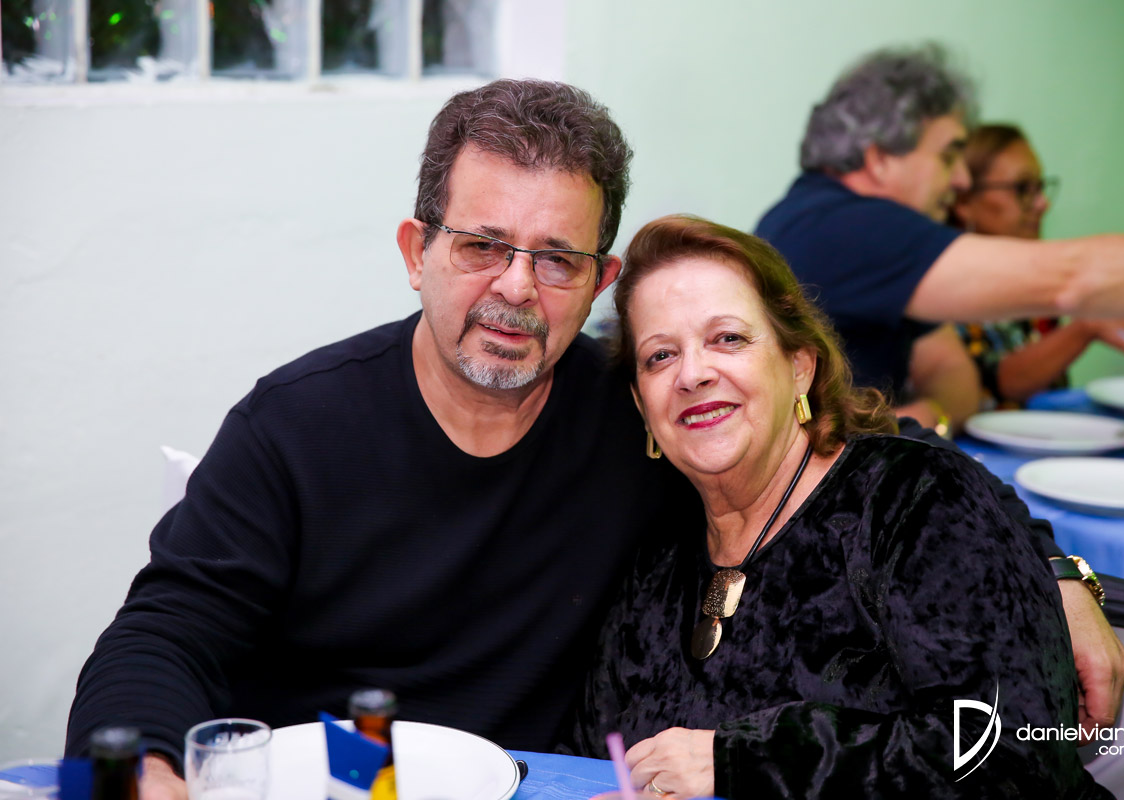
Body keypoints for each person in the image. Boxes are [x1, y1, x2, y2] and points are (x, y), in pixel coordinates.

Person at [64, 79, 702, 799]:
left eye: (557, 259)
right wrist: (148, 769)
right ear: (416, 252)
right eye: (483, 246)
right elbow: (165, 635)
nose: (517, 287)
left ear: (599, 282)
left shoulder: (639, 425)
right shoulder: (295, 427)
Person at [564, 215, 1112, 799]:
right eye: (660, 356)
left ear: (799, 366)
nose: (692, 374)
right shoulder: (657, 558)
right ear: (641, 404)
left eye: (728, 338)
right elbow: (594, 755)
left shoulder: (911, 500)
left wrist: (741, 760)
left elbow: (1013, 756)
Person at [755, 41, 1124, 735]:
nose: (960, 179)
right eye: (949, 153)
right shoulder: (848, 227)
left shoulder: (830, 226)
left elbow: (953, 372)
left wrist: (923, 412)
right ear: (879, 157)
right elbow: (1072, 280)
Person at [948, 124, 1124, 406]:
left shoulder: (1031, 274)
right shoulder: (941, 282)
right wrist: (1089, 324)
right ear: (964, 200)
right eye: (1023, 188)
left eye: (1039, 187)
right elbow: (993, 383)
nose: (1043, 203)